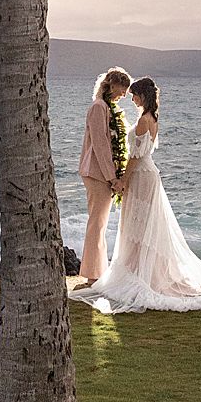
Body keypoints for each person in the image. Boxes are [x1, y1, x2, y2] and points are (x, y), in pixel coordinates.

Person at [72, 77, 201, 315]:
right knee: (143, 226)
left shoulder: (144, 121)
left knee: (137, 226)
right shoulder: (152, 118)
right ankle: (139, 271)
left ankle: (139, 275)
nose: (131, 98)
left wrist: (122, 180)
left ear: (142, 96)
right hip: (147, 176)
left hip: (141, 177)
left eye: (134, 94)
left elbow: (135, 157)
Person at [77, 67, 131, 284]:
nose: (124, 95)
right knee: (96, 223)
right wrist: (113, 178)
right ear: (111, 85)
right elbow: (100, 146)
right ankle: (92, 275)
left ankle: (97, 272)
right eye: (122, 89)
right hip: (97, 173)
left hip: (103, 173)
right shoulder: (99, 108)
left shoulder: (109, 108)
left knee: (99, 222)